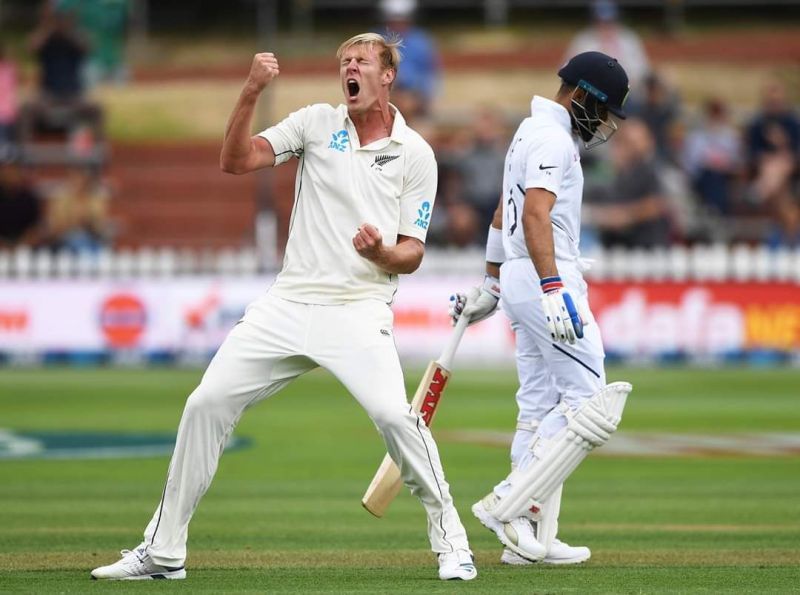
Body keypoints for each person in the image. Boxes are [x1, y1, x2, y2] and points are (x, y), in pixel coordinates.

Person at [90, 33, 476, 582]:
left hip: (358, 306)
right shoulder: (316, 122)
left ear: (387, 75)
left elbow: (411, 251)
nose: (350, 67)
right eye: (344, 61)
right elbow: (236, 161)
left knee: (396, 417)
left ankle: (452, 542)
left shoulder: (415, 153)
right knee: (205, 405)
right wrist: (250, 91)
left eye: (362, 60)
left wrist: (381, 251)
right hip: (289, 303)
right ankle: (164, 551)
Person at [449, 51, 634, 565]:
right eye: (602, 112)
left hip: (521, 275)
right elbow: (533, 213)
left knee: (537, 406)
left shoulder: (530, 132)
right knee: (590, 402)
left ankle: (527, 537)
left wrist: (490, 280)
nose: (602, 125)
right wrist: (554, 287)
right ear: (582, 97)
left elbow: (498, 212)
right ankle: (508, 502)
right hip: (543, 278)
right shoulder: (552, 139)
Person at [565, 0, 649, 96]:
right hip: (591, 95)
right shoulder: (583, 42)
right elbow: (566, 71)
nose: (605, 26)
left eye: (610, 21)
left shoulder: (629, 40)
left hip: (627, 95)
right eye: (601, 21)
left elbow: (642, 71)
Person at [378, 0, 441, 122]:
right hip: (385, 95)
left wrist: (427, 98)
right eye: (393, 21)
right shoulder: (376, 39)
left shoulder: (422, 40)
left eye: (401, 20)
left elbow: (432, 73)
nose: (397, 25)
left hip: (416, 97)